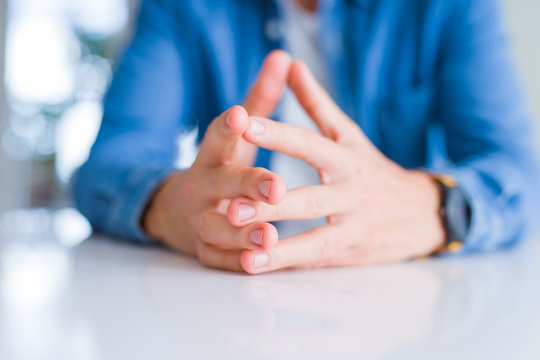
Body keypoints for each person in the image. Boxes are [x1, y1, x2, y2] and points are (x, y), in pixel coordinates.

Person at [74, 0, 540, 274]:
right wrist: (171, 204)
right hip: (228, 299)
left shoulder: (453, 7)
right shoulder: (181, 8)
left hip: (398, 291)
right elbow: (107, 166)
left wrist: (438, 207)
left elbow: (516, 172)